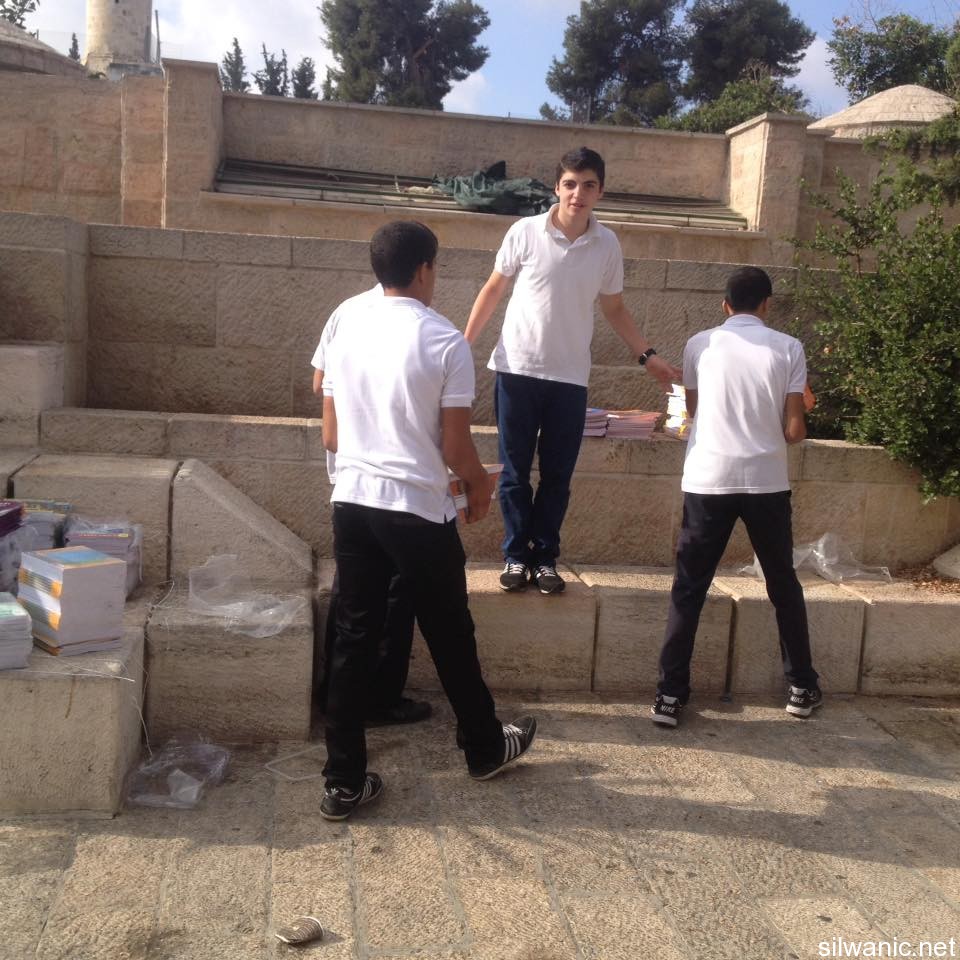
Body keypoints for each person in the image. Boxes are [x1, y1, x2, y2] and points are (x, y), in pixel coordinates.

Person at [319, 220, 537, 821]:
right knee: (449, 633)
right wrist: (481, 486)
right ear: (423, 269)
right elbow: (455, 447)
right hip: (416, 510)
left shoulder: (346, 328)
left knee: (353, 636)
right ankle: (484, 747)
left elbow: (332, 434)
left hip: (353, 502)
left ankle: (342, 780)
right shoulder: (444, 341)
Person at [464, 146, 680, 596]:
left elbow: (614, 308)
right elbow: (494, 288)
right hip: (517, 370)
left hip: (569, 379)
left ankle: (545, 558)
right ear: (556, 187)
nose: (577, 193)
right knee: (514, 473)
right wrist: (462, 344)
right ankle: (515, 556)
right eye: (569, 184)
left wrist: (648, 356)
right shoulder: (524, 232)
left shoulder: (607, 244)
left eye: (587, 185)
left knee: (557, 477)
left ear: (600, 192)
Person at [651, 266, 821, 729]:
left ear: (725, 304)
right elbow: (794, 431)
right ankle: (801, 686)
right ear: (767, 304)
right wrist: (800, 408)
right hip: (766, 481)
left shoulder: (698, 344)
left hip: (708, 478)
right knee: (782, 583)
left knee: (689, 587)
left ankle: (669, 694)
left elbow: (693, 409)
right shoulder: (789, 347)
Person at [311, 287, 432, 727]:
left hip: (350, 482)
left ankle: (337, 696)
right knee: (395, 594)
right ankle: (379, 699)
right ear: (422, 269)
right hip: (393, 483)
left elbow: (319, 382)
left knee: (352, 595)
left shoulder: (348, 311)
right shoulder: (421, 325)